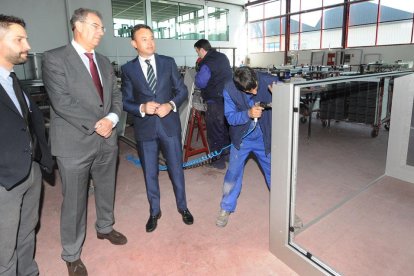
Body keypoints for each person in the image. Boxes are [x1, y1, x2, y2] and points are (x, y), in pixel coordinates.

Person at [42, 8, 126, 276]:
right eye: (96, 26)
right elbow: (61, 101)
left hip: (106, 138)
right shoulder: (55, 59)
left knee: (106, 188)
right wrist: (97, 123)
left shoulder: (103, 61)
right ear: (78, 26)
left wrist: (111, 118)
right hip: (74, 143)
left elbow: (115, 95)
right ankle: (72, 253)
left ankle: (105, 227)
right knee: (74, 201)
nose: (102, 31)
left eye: (102, 27)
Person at [121, 24, 194, 233]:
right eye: (144, 39)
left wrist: (170, 105)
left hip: (169, 126)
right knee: (150, 173)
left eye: (152, 38)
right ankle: (154, 211)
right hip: (145, 130)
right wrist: (142, 107)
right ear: (134, 44)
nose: (150, 42)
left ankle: (183, 207)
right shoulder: (128, 70)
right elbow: (125, 101)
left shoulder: (167, 63)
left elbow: (182, 91)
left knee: (176, 169)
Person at [0, 14, 54, 275]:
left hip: (30, 171)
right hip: (4, 181)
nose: (28, 46)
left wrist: (40, 161)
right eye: (19, 39)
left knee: (27, 233)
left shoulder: (13, 80)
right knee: (3, 251)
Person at [216, 66, 278, 227]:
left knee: (275, 174)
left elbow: (289, 93)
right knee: (233, 174)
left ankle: (285, 210)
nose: (256, 92)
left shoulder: (267, 80)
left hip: (264, 137)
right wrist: (248, 114)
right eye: (251, 90)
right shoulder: (229, 89)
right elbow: (230, 118)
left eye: (256, 86)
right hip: (241, 139)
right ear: (240, 87)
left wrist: (280, 93)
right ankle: (226, 207)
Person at [194, 39, 232, 169]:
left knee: (215, 131)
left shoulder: (206, 63)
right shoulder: (222, 56)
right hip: (227, 99)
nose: (197, 54)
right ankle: (227, 156)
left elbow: (201, 82)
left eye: (197, 51)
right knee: (226, 129)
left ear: (202, 49)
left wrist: (196, 74)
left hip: (214, 101)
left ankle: (217, 162)